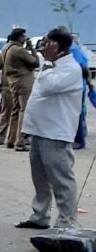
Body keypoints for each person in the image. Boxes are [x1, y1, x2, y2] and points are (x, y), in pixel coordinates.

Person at [15, 27, 84, 231]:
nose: (43, 48)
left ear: (59, 48)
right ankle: (40, 216)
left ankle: (66, 222)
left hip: (55, 133)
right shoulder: (51, 66)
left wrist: (46, 66)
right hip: (39, 130)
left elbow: (47, 87)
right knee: (40, 178)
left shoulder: (70, 69)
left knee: (62, 179)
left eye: (48, 44)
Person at [0, 28, 38, 150]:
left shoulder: (6, 49)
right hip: (23, 83)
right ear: (19, 37)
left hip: (12, 83)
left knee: (14, 111)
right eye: (24, 37)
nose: (25, 39)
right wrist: (31, 48)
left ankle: (11, 139)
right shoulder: (19, 50)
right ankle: (20, 141)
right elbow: (35, 63)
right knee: (23, 111)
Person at [68, 36, 90, 150]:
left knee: (77, 112)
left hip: (77, 85)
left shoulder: (72, 49)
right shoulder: (75, 48)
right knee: (78, 111)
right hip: (79, 84)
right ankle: (79, 136)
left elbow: (81, 66)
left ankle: (79, 140)